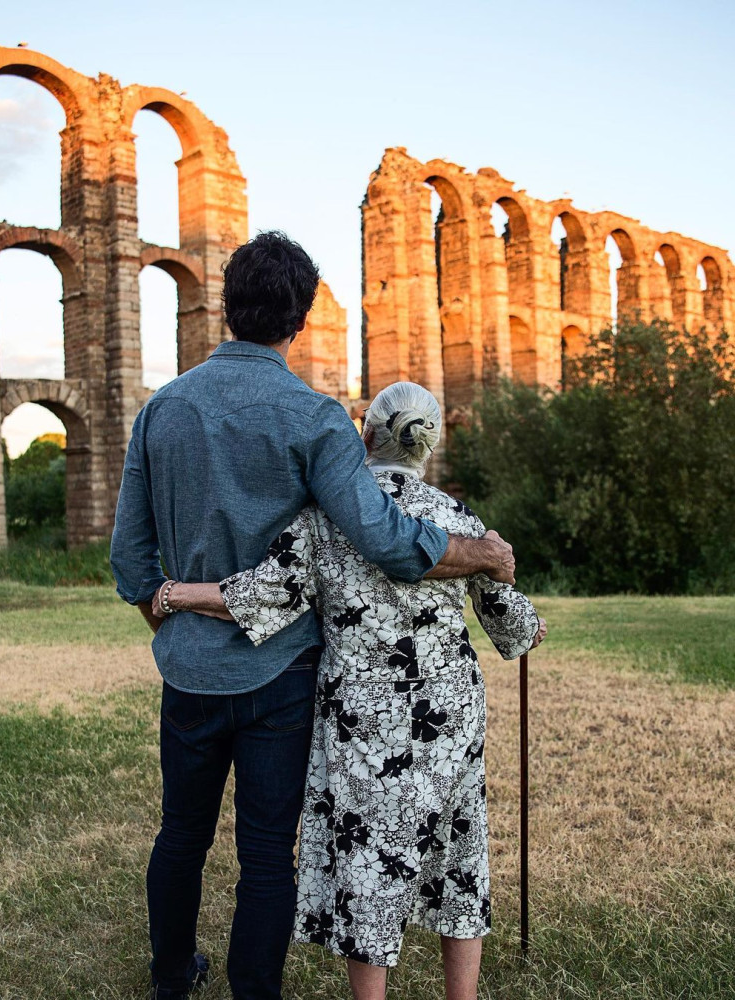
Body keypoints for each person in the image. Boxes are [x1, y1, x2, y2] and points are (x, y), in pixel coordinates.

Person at [110, 232, 517, 1000]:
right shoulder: (315, 418)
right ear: (298, 321)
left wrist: (175, 626)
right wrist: (481, 552)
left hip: (189, 669)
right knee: (268, 850)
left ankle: (170, 980)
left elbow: (131, 561)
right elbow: (388, 541)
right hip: (284, 671)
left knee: (181, 834)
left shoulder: (160, 410)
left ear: (226, 308)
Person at [158, 382, 547, 1000]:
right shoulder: (455, 518)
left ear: (364, 435)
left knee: (370, 856)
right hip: (449, 710)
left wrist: (175, 593)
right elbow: (512, 628)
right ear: (430, 444)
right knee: (458, 848)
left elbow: (259, 597)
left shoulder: (323, 518)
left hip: (362, 717)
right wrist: (527, 618)